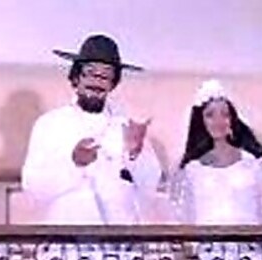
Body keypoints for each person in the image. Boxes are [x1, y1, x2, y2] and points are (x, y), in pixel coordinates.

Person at [21, 34, 159, 225]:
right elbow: (33, 188)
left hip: (120, 240)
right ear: (76, 77)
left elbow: (150, 186)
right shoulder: (50, 124)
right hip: (66, 239)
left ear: (113, 84)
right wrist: (75, 164)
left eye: (105, 76)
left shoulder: (126, 126)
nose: (96, 82)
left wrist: (135, 154)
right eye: (90, 72)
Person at [170, 79, 262, 225]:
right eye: (210, 115)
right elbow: (184, 218)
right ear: (201, 120)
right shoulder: (192, 171)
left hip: (249, 238)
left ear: (232, 119)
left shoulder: (254, 164)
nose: (218, 121)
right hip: (206, 239)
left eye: (224, 114)